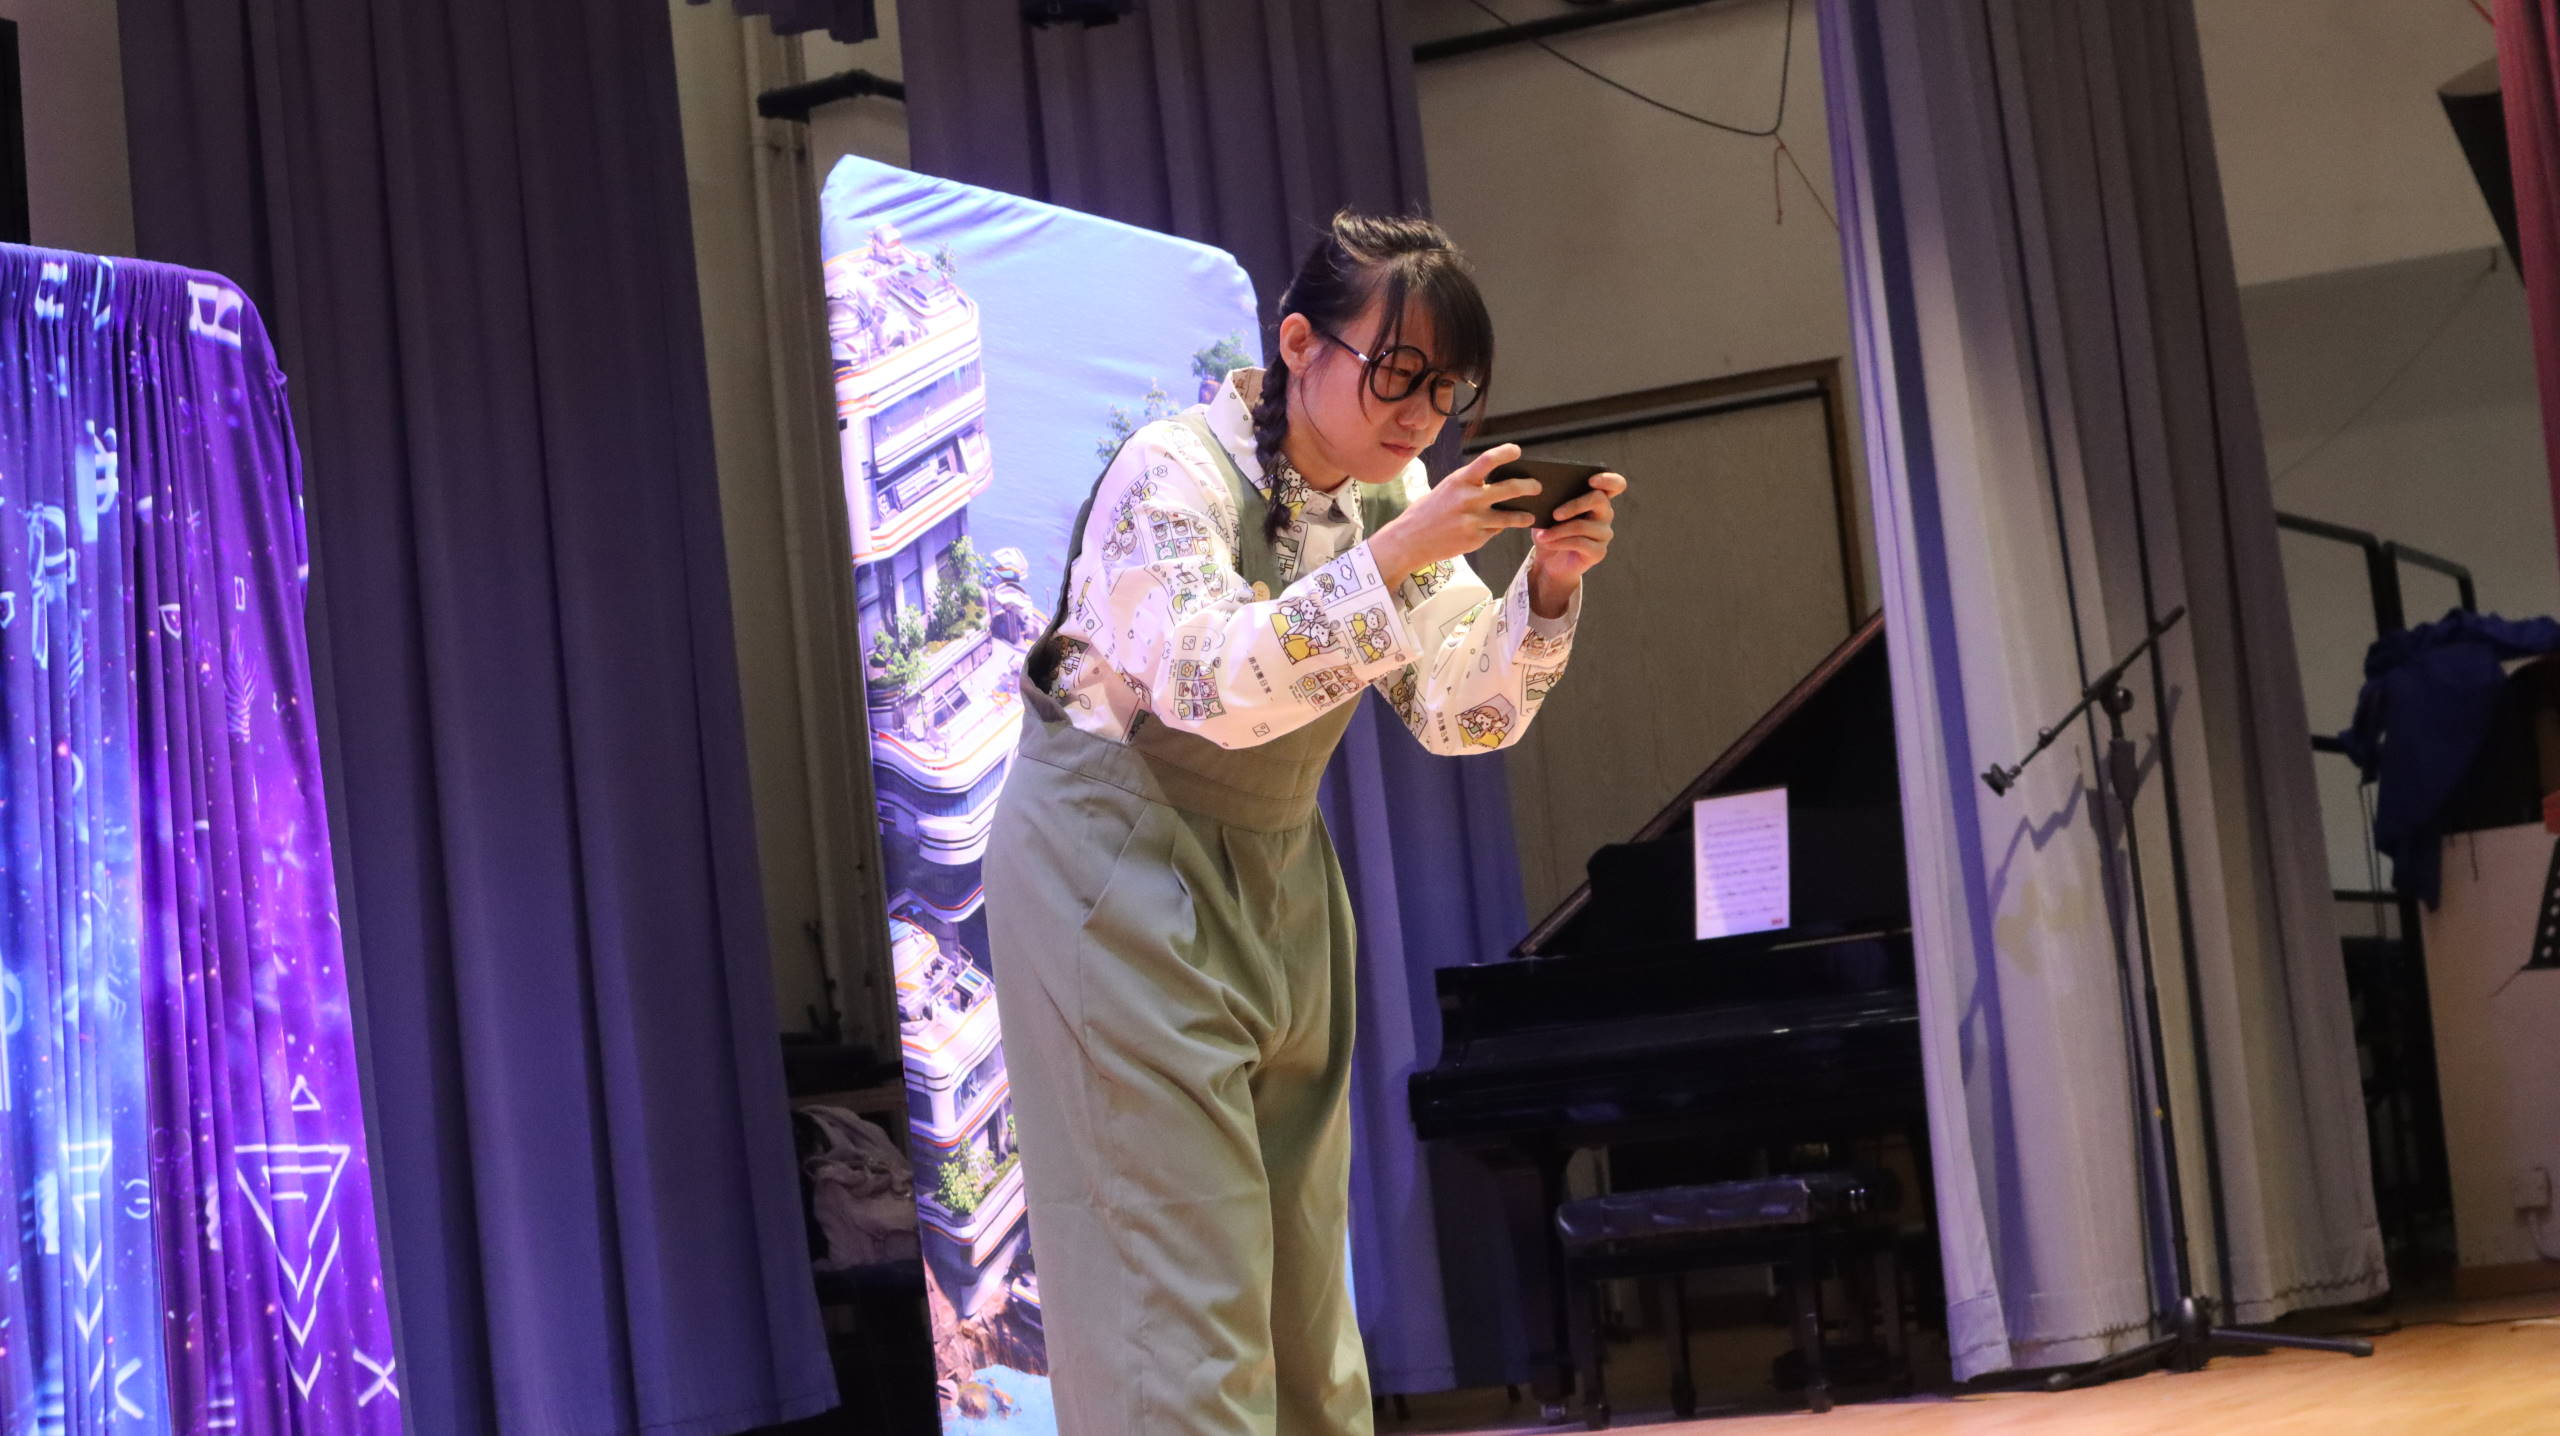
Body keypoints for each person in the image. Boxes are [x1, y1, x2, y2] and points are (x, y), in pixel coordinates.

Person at [985, 210, 1626, 1435]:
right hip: (1112, 864)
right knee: (1174, 1288)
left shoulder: (1391, 494)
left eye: (1446, 385)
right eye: (1397, 370)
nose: (1420, 412)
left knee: (1299, 1292)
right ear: (1296, 344)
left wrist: (1545, 587)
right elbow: (1205, 682)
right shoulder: (1170, 469)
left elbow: (1458, 711)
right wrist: (1391, 557)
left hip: (1274, 864)